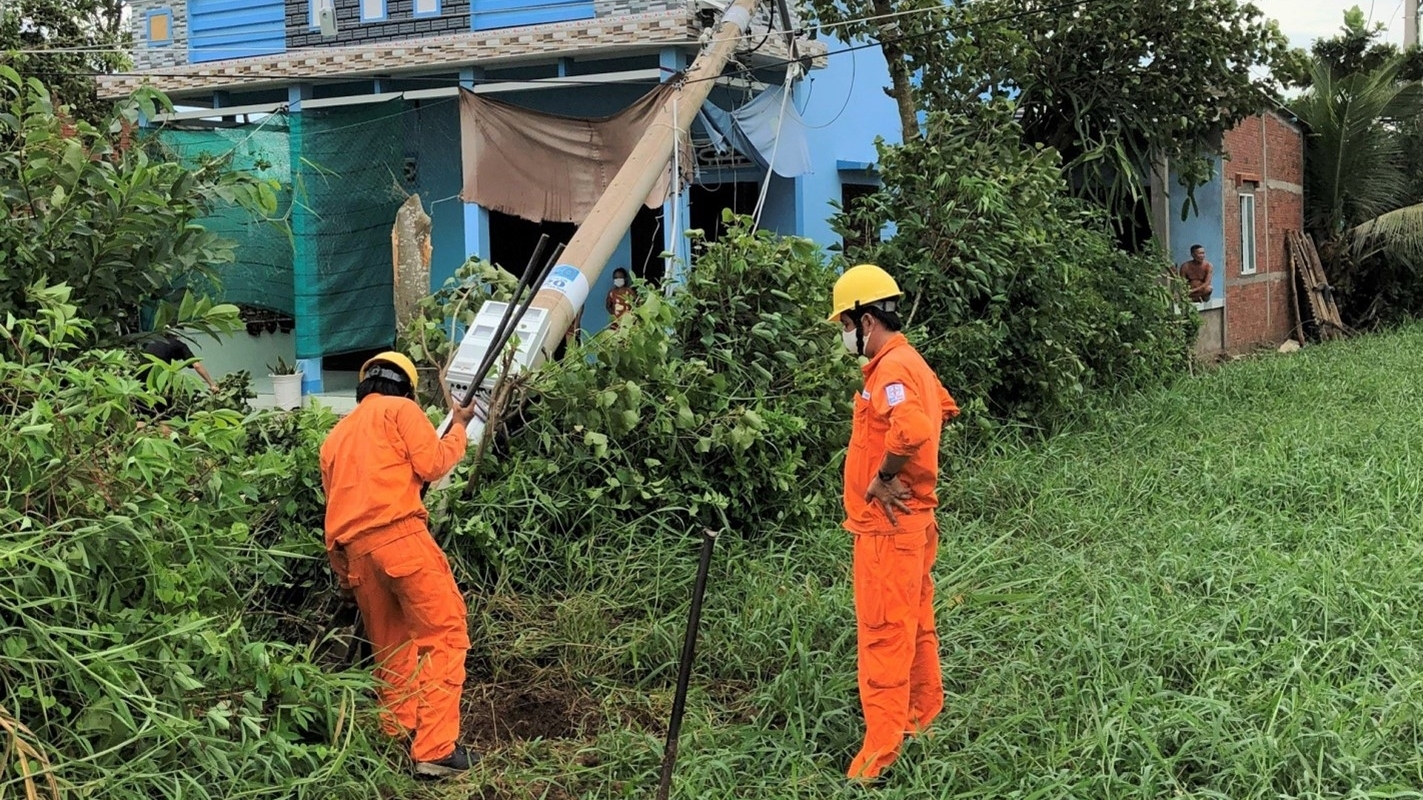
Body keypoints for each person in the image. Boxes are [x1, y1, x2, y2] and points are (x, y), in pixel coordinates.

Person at [829, 264, 960, 784]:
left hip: (888, 528)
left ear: (865, 320)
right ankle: (922, 717)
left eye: (844, 323)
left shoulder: (890, 369)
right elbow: (943, 407)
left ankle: (878, 757)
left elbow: (913, 427)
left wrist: (886, 475)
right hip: (915, 523)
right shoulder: (908, 361)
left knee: (883, 633)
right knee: (916, 622)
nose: (843, 333)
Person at [319, 351, 477, 780]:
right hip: (400, 539)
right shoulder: (400, 410)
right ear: (405, 388)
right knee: (445, 634)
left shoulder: (335, 437)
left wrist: (344, 577)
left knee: (390, 645)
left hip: (355, 555)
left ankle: (396, 729)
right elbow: (432, 465)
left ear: (362, 387)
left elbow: (332, 511)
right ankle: (436, 750)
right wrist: (458, 429)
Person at [140, 333, 219, 392]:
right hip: (158, 375)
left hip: (141, 374)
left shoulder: (153, 342)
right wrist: (211, 384)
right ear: (178, 336)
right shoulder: (179, 345)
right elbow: (197, 365)